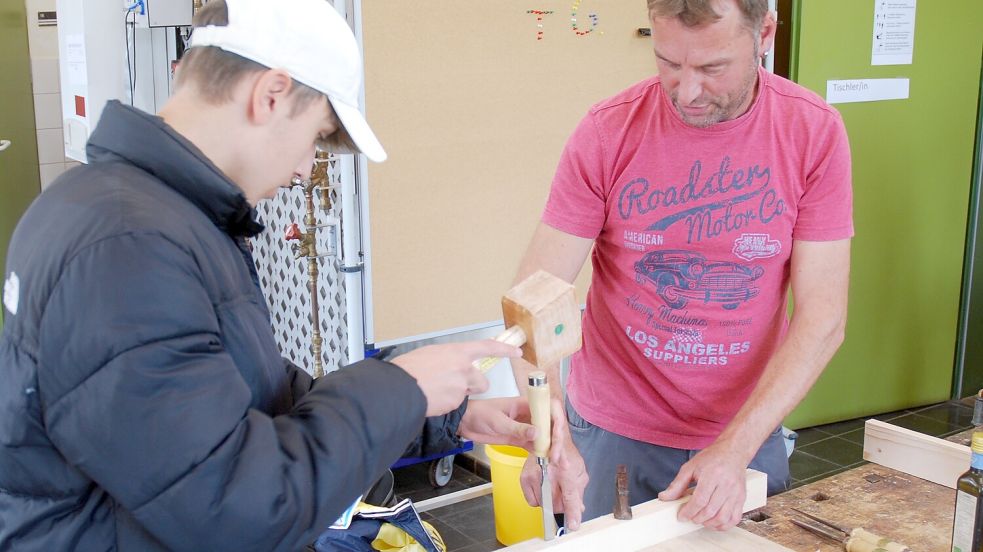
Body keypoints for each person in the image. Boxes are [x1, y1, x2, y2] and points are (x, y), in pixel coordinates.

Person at [0, 0, 567, 549]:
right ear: (270, 95)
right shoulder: (129, 243)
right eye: (317, 137)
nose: (303, 170)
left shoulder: (151, 214)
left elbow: (253, 395)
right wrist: (402, 388)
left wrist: (431, 416)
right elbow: (237, 511)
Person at [513, 0, 853, 532]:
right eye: (668, 63)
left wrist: (736, 447)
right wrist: (549, 430)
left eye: (712, 69)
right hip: (614, 429)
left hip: (747, 427)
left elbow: (824, 317)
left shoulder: (812, 132)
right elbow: (532, 300)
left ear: (764, 32)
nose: (687, 92)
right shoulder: (609, 131)